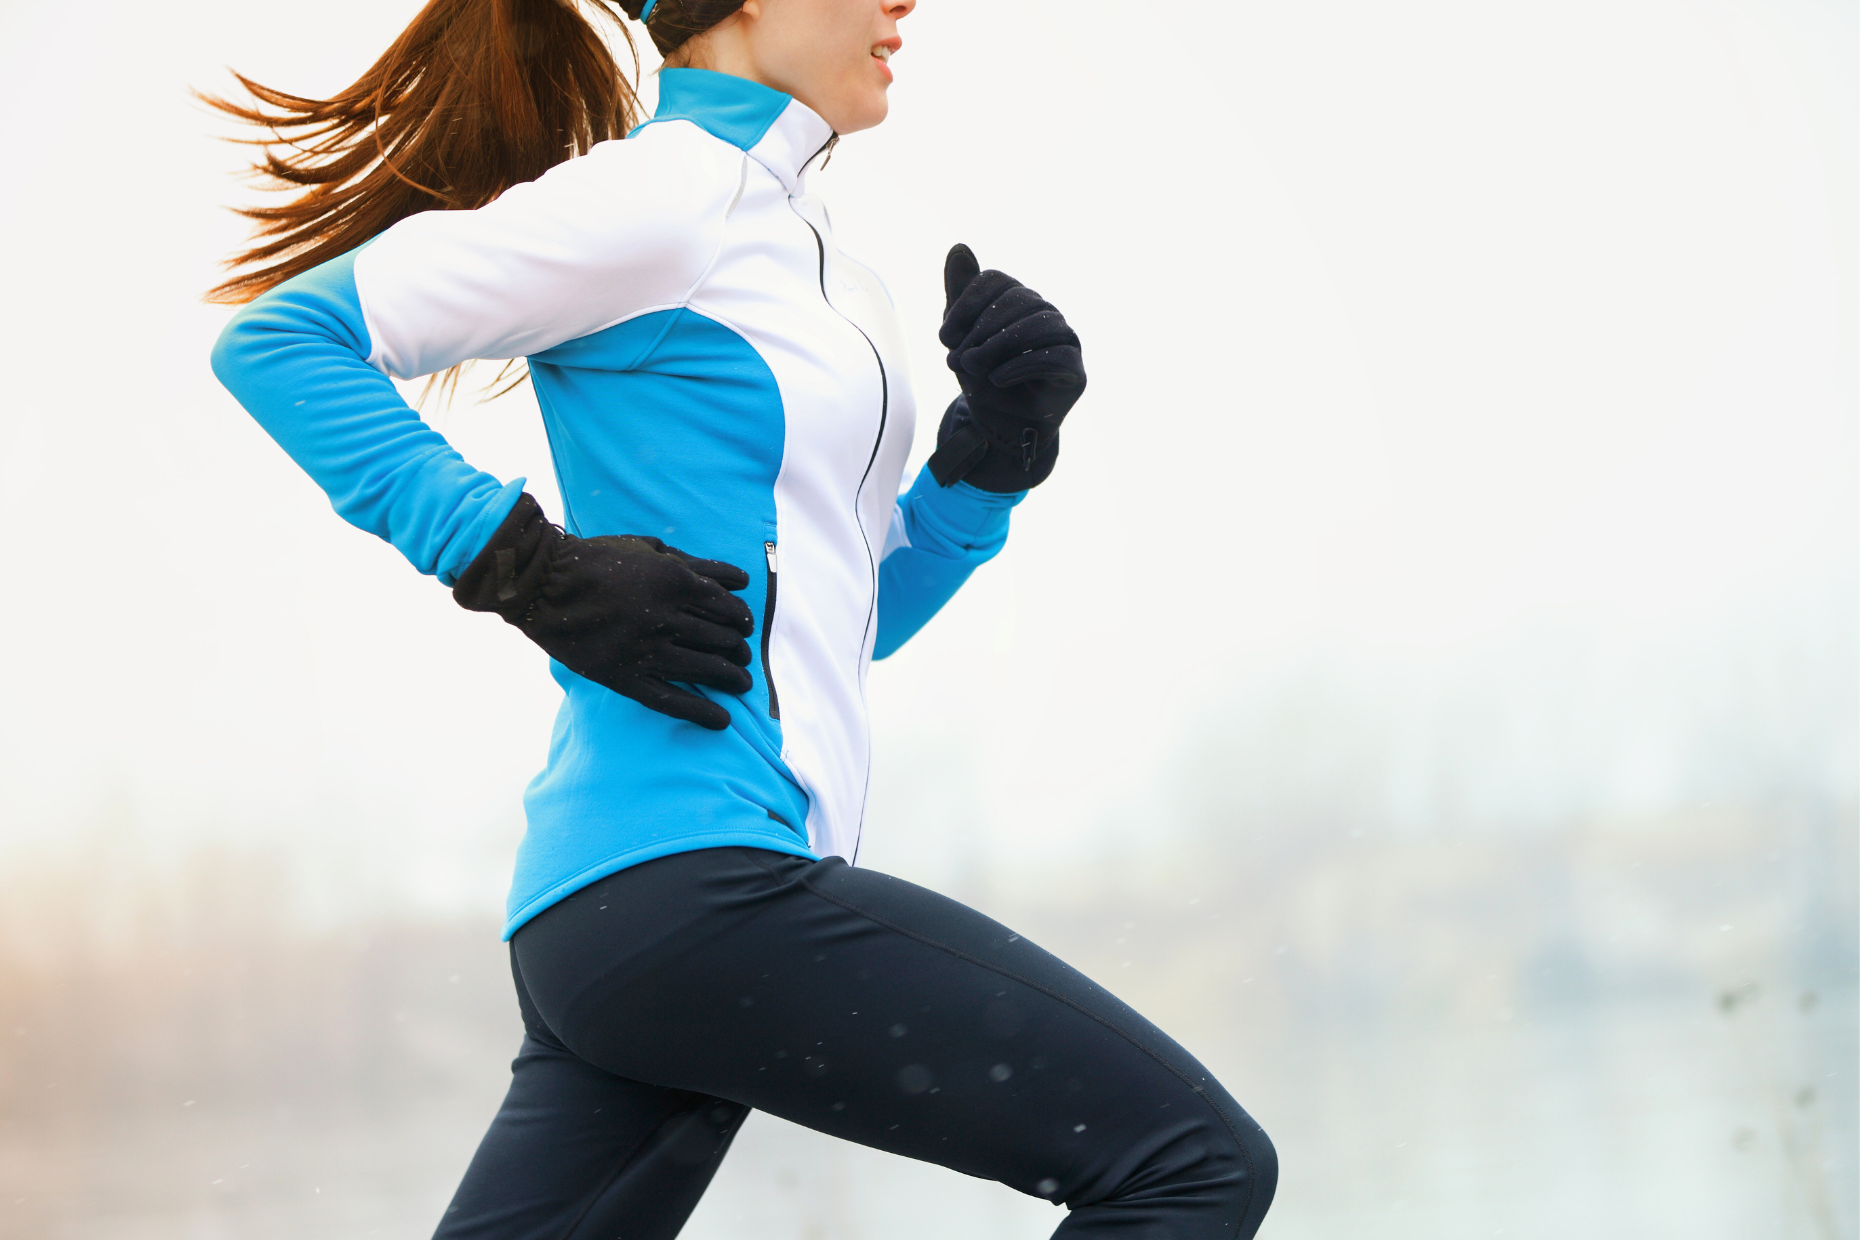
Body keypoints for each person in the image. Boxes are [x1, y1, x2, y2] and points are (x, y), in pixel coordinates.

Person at [207, 1, 1278, 1235]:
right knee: (1188, 1164)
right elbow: (284, 341)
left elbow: (840, 622)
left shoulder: (817, 262)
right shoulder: (662, 202)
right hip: (689, 885)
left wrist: (989, 461)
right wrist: (524, 565)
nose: (903, 5)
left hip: (630, 920)